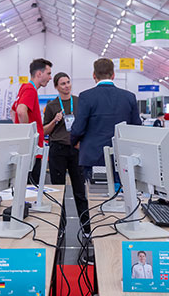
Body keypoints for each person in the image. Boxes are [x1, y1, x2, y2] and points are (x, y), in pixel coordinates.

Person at [71, 58, 141, 180]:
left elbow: (78, 128)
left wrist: (74, 142)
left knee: (95, 191)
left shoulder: (86, 97)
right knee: (122, 190)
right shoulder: (129, 97)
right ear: (113, 75)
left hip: (93, 157)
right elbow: (136, 127)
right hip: (122, 157)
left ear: (94, 75)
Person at [42, 72, 89, 234]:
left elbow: (87, 124)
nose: (67, 86)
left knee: (80, 190)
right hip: (58, 150)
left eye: (68, 82)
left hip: (76, 149)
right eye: (63, 83)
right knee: (58, 190)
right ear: (56, 86)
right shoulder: (52, 106)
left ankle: (86, 227)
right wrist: (54, 121)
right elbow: (44, 131)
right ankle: (60, 227)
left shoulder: (79, 102)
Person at [10, 58, 53, 184]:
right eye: (48, 73)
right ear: (39, 74)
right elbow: (20, 111)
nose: (50, 77)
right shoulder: (30, 89)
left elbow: (13, 111)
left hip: (27, 149)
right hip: (32, 150)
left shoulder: (24, 88)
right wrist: (28, 136)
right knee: (32, 187)